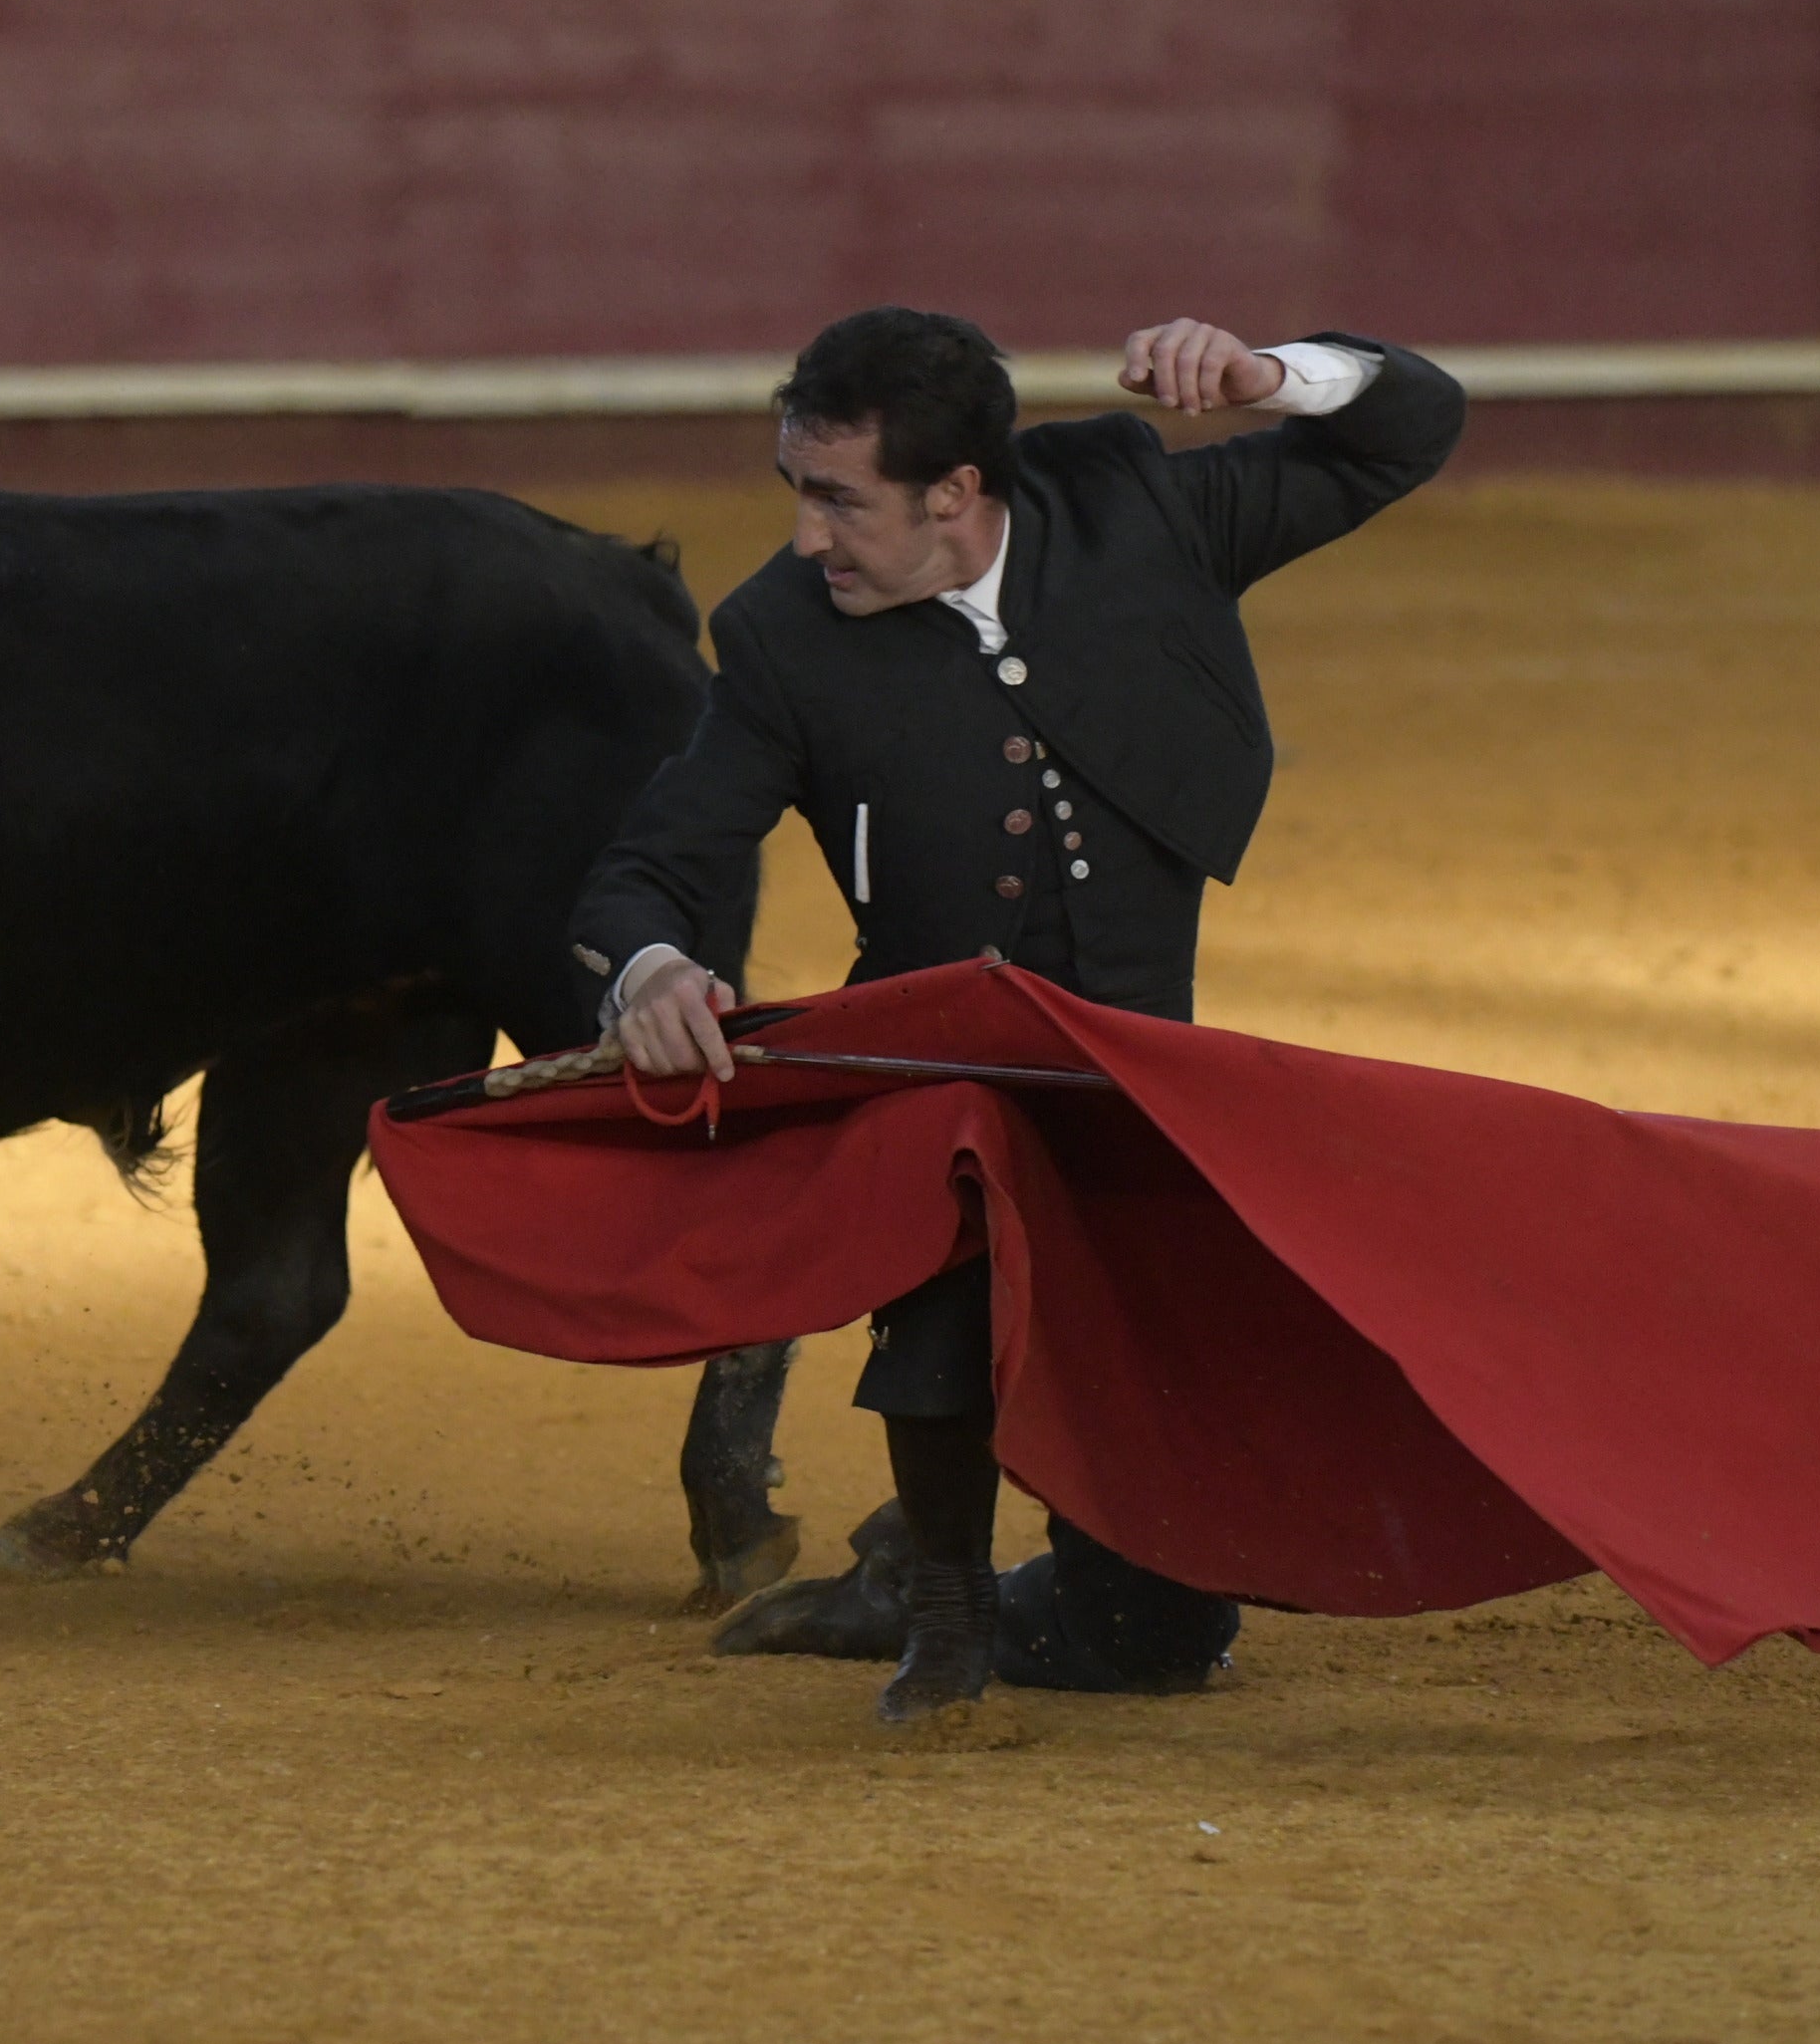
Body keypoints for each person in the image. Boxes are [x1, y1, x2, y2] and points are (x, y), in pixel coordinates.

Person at [568, 306, 1465, 1722]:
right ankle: (942, 1591)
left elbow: (1414, 422)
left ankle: (901, 1589)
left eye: (836, 501)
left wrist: (1268, 379)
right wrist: (655, 970)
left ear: (958, 495)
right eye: (797, 492)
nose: (806, 538)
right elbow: (647, 873)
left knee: (1163, 1634)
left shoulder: (1138, 516)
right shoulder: (785, 639)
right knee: (953, 1250)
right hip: (938, 1069)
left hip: (1139, 1095)